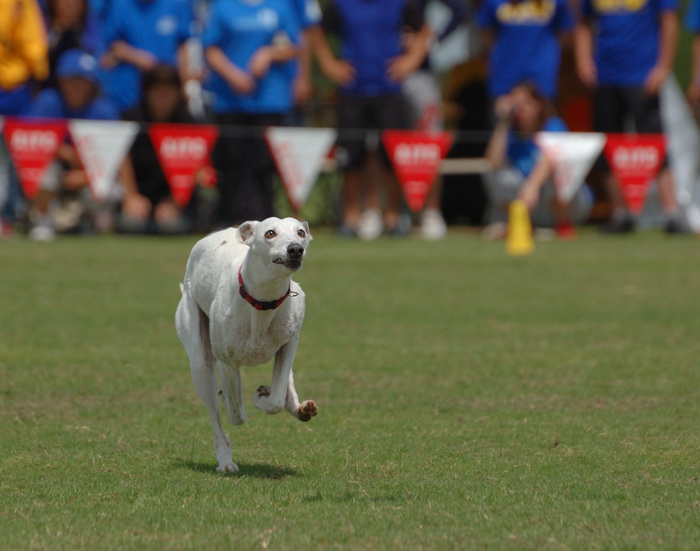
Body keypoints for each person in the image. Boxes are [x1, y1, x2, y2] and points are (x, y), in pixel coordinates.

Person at [312, 0, 432, 239]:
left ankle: (394, 217)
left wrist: (411, 60)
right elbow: (315, 32)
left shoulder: (399, 3)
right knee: (350, 156)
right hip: (352, 91)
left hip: (389, 90)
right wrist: (329, 64)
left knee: (392, 157)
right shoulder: (342, 5)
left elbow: (425, 30)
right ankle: (351, 216)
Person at [574, 0, 686, 233]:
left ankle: (672, 213)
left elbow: (669, 20)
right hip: (605, 75)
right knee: (609, 145)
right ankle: (620, 214)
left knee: (655, 143)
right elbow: (583, 22)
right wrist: (583, 60)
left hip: (642, 75)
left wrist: (663, 67)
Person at [202, 0, 301, 226]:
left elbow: (294, 45)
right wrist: (232, 75)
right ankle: (230, 217)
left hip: (270, 100)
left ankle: (266, 218)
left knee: (264, 163)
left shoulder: (280, 6)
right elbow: (210, 48)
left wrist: (269, 53)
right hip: (230, 100)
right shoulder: (222, 7)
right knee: (231, 161)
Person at [24, 49, 125, 240]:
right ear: (61, 81)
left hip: (90, 170)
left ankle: (88, 221)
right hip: (55, 167)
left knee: (112, 190)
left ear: (92, 83)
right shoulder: (48, 101)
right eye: (72, 79)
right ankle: (42, 219)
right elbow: (31, 140)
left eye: (83, 79)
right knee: (39, 172)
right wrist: (66, 153)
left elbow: (112, 154)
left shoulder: (103, 109)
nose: (77, 85)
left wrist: (86, 176)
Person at [482, 81, 592, 239]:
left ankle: (563, 225)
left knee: (557, 169)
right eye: (516, 104)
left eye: (526, 103)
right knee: (494, 174)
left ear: (539, 105)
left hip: (567, 206)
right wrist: (503, 122)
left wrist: (532, 186)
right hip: (528, 206)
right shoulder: (510, 132)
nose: (521, 109)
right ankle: (514, 222)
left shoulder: (553, 125)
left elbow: (552, 155)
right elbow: (492, 163)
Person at [120, 64, 210, 234]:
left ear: (178, 93)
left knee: (171, 227)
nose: (163, 96)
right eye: (158, 90)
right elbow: (122, 158)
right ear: (146, 92)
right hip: (138, 194)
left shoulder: (189, 123)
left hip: (176, 198)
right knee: (130, 224)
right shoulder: (131, 119)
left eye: (168, 91)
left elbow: (196, 167)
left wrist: (175, 201)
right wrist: (131, 196)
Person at [402, 0, 467, 240]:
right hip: (379, 75)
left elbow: (459, 10)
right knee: (382, 145)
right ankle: (393, 212)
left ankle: (431, 211)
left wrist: (431, 40)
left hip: (421, 74)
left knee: (429, 143)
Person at [0, 0, 49, 236]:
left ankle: (10, 216)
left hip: (18, 91)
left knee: (19, 160)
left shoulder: (24, 4)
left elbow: (35, 49)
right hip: (19, 87)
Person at [100, 0, 194, 114]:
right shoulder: (120, 4)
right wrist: (138, 58)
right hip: (129, 92)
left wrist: (184, 82)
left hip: (167, 93)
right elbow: (112, 42)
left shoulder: (177, 4)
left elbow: (182, 46)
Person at [477, 0, 574, 110]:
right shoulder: (493, 2)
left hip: (542, 81)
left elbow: (566, 34)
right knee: (502, 123)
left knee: (546, 125)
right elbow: (486, 35)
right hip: (504, 80)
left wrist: (548, 55)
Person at [43, 0, 101, 90]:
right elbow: (39, 57)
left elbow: (96, 57)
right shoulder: (43, 21)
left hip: (83, 87)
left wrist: (75, 29)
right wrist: (58, 29)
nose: (69, 4)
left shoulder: (90, 23)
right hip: (50, 87)